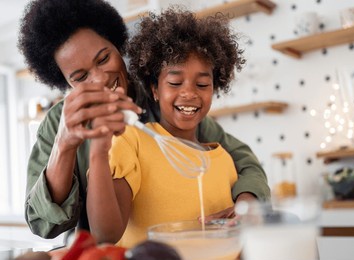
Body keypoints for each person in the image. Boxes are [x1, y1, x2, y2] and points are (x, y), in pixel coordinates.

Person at [17, 0, 270, 240]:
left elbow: (244, 162)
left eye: (104, 58)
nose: (100, 79)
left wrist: (246, 203)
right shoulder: (58, 123)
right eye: (80, 76)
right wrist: (65, 145)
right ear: (65, 82)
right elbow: (42, 224)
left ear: (118, 45)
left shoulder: (165, 103)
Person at [87, 6, 249, 247]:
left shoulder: (224, 160)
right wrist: (99, 152)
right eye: (175, 82)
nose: (189, 93)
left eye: (203, 84)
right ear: (154, 89)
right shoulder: (133, 142)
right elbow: (105, 235)